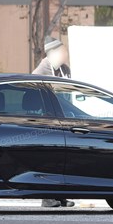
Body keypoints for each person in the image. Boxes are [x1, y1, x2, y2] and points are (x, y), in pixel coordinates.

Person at [32, 36, 74, 208]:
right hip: (46, 123)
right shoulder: (40, 72)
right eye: (62, 51)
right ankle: (47, 197)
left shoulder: (64, 69)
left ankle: (61, 195)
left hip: (63, 120)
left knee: (64, 159)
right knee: (49, 159)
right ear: (52, 53)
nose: (65, 55)